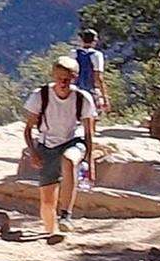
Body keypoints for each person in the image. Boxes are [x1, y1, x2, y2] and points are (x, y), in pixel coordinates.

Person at [23, 56, 99, 240]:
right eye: (60, 78)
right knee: (47, 202)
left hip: (73, 140)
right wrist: (33, 152)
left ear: (74, 78)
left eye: (68, 79)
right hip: (47, 146)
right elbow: (28, 129)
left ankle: (66, 214)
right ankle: (50, 231)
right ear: (53, 76)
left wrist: (90, 163)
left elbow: (89, 133)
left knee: (69, 160)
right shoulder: (40, 96)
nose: (63, 83)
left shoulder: (83, 99)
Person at [74, 30, 111, 118]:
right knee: (91, 117)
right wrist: (105, 98)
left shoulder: (73, 53)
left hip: (75, 89)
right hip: (91, 90)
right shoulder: (97, 55)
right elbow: (98, 77)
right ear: (94, 41)